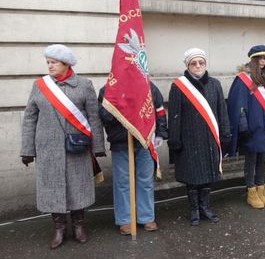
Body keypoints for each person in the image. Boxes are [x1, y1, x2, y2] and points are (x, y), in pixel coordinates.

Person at [20, 44, 106, 249]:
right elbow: (30, 118)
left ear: (66, 64)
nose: (49, 66)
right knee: (52, 189)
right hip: (48, 149)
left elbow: (94, 117)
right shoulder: (40, 86)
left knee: (78, 188)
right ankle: (59, 228)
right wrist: (27, 149)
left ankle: (78, 226)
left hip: (76, 148)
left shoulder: (84, 84)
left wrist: (98, 146)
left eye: (53, 62)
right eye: (48, 62)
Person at [168, 48, 231, 225]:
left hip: (209, 139)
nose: (197, 66)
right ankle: (194, 209)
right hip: (189, 140)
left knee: (208, 176)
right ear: (187, 65)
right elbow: (174, 116)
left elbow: (222, 111)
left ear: (205, 64)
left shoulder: (215, 84)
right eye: (193, 63)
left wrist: (225, 134)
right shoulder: (178, 86)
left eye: (201, 62)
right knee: (192, 177)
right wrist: (175, 141)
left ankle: (205, 207)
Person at [98, 81, 168, 235]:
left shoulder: (149, 86)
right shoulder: (108, 89)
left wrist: (161, 133)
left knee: (145, 180)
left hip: (145, 141)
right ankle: (125, 219)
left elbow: (159, 110)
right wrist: (121, 101)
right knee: (122, 182)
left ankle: (146, 216)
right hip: (120, 142)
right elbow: (104, 116)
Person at [228, 45, 265, 209]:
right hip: (252, 128)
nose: (263, 61)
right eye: (260, 58)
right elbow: (237, 105)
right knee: (251, 161)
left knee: (262, 159)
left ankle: (261, 189)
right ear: (253, 60)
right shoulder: (243, 79)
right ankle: (251, 191)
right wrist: (244, 127)